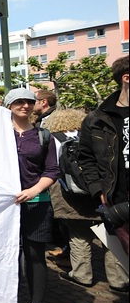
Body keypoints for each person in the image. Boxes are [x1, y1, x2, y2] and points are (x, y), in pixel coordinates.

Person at [78, 56, 129, 303]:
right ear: (126, 78)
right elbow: (85, 158)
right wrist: (99, 191)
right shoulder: (98, 118)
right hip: (119, 206)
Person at [45, 108, 127, 291]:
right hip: (100, 191)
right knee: (109, 234)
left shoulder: (53, 138)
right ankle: (118, 278)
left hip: (70, 195)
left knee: (78, 235)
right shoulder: (94, 136)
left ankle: (82, 274)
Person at [4, 87, 59, 303]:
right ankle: (6, 301)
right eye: (18, 102)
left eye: (29, 101)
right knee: (6, 254)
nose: (24, 106)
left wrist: (34, 190)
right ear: (9, 106)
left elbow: (52, 170)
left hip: (36, 205)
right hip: (4, 208)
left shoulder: (43, 136)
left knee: (35, 256)